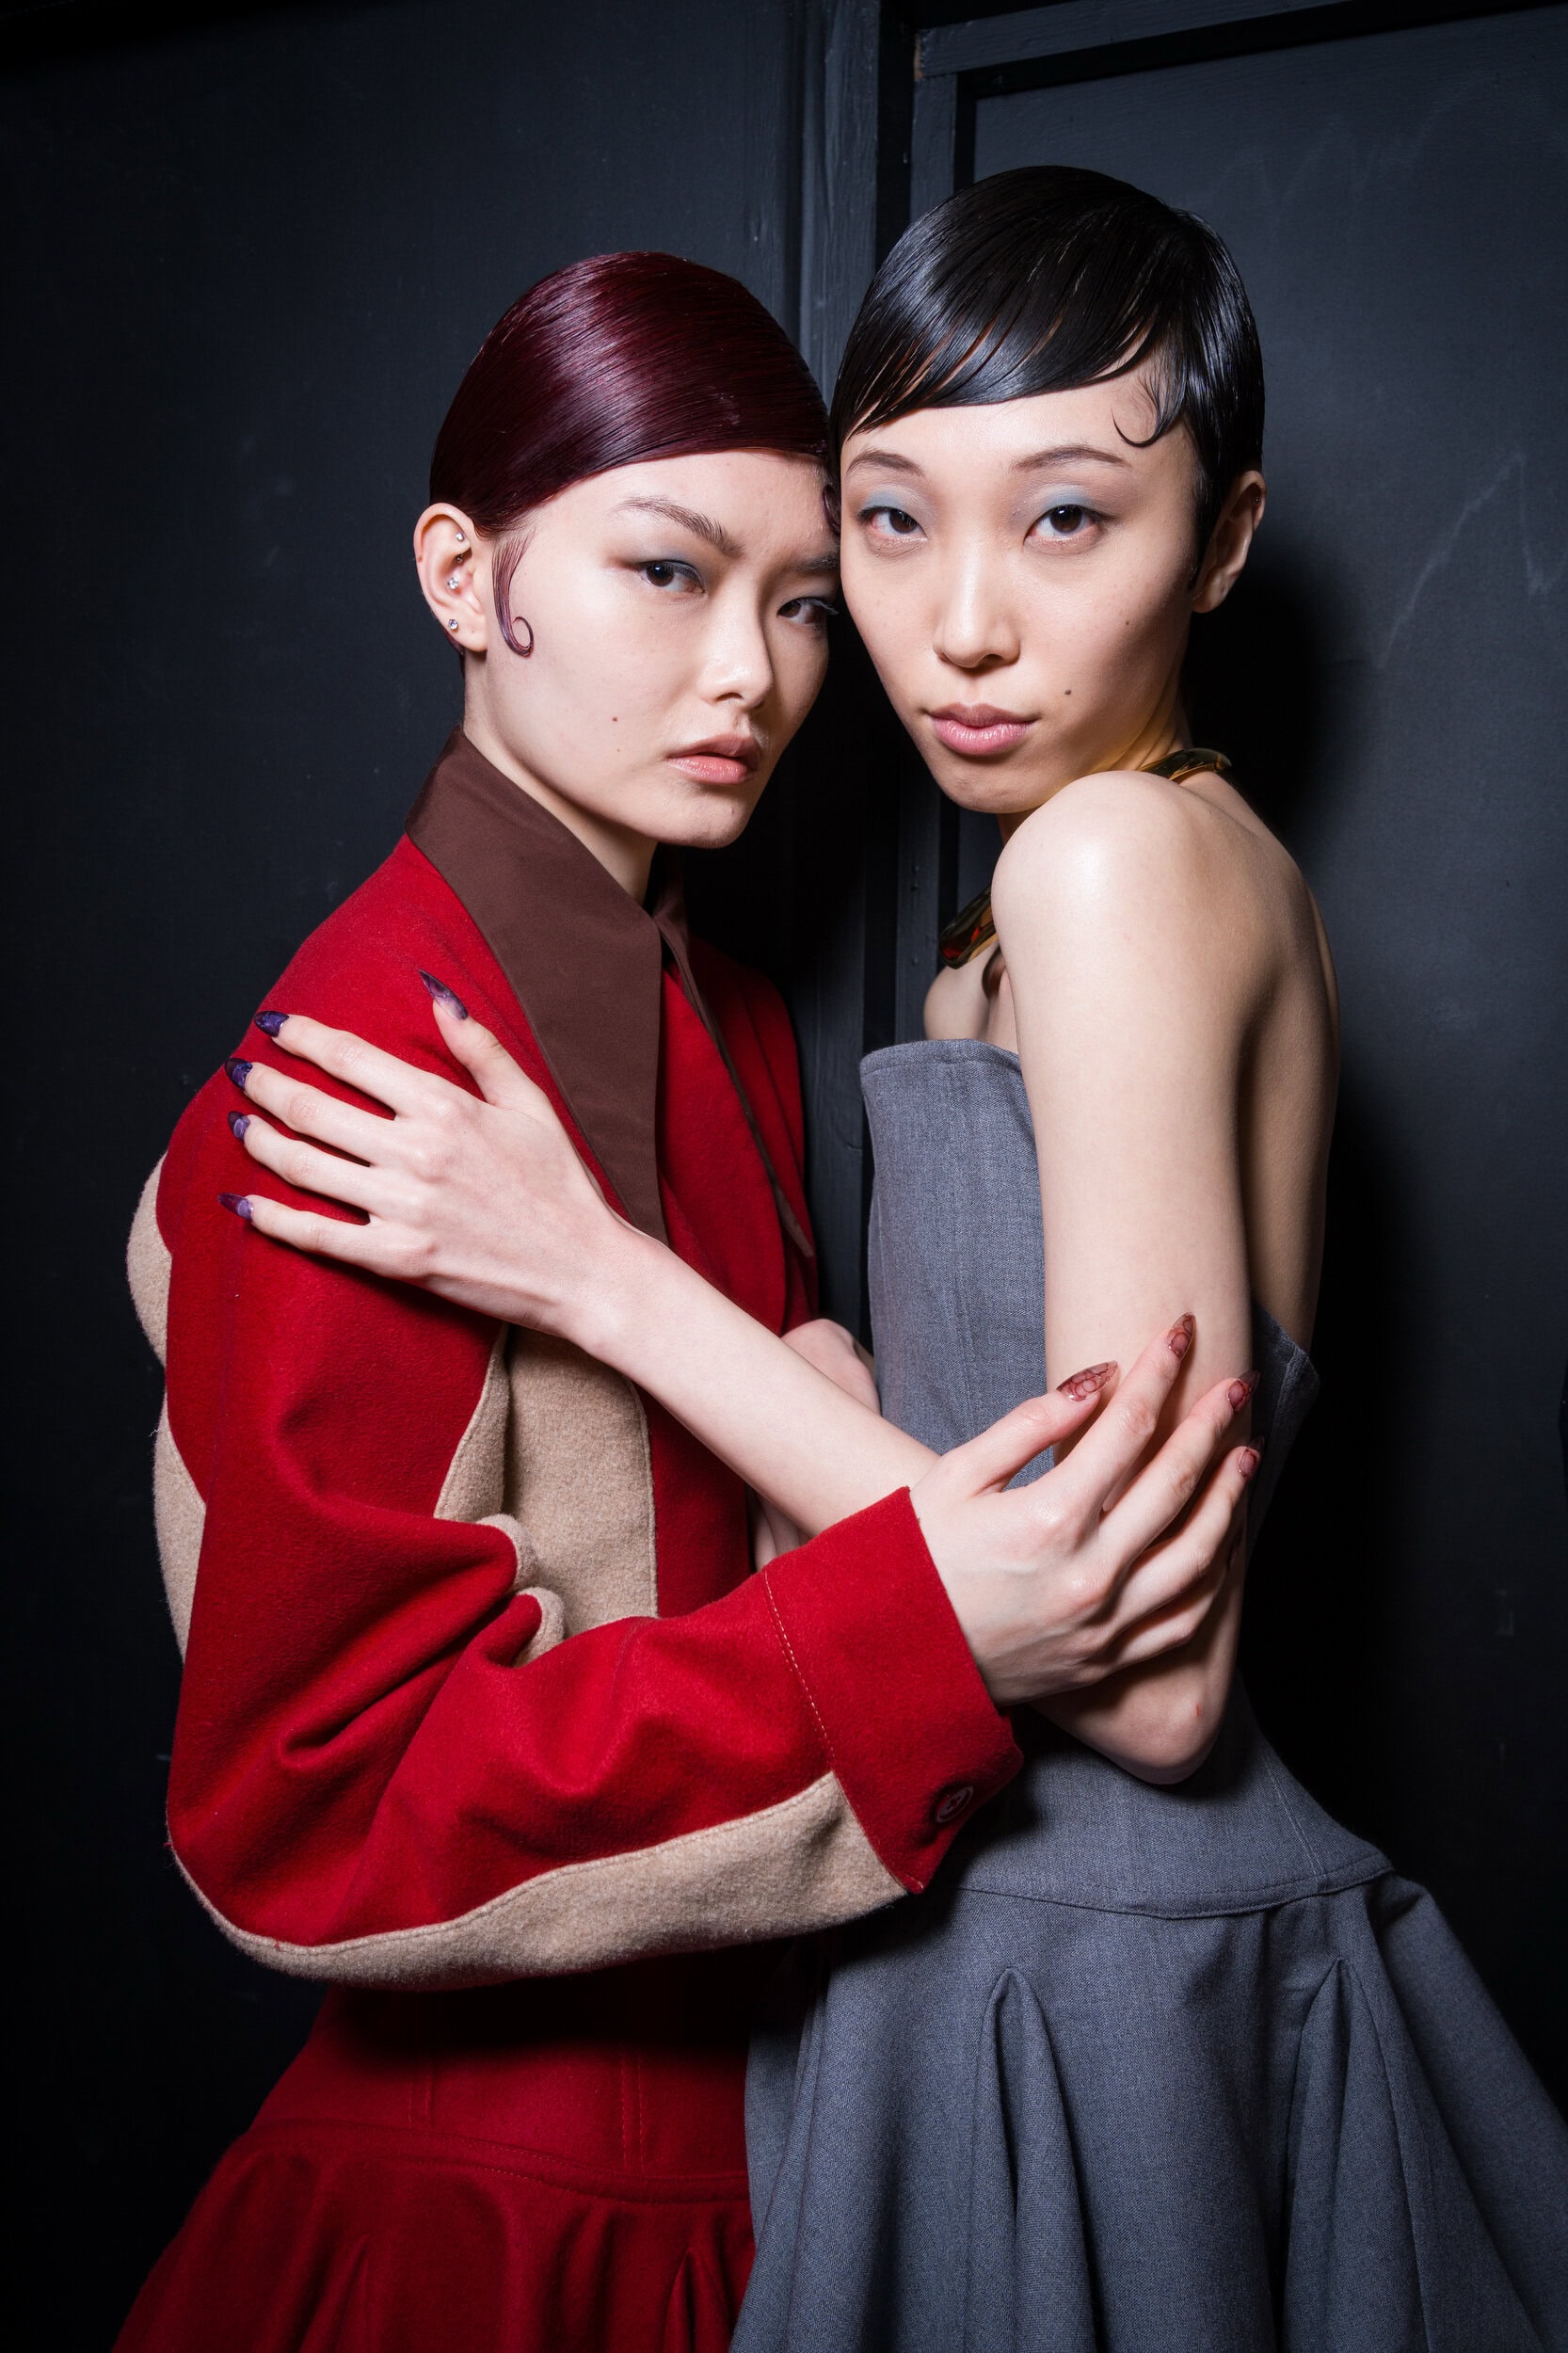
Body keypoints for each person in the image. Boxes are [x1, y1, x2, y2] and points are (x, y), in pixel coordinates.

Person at [231, 175, 1568, 2347]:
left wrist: (604, 1280)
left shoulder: (1103, 863)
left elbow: (1153, 1682)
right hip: (940, 1943)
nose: (953, 627)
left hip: (1083, 1952)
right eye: (884, 522)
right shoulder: (1028, 910)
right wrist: (825, 1382)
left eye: (1065, 519)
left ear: (1219, 540)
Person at [120, 248, 1258, 2352]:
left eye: (803, 600)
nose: (749, 671)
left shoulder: (725, 1015)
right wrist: (921, 1626)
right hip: (491, 2222)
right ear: (465, 577)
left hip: (810, 2156)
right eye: (666, 572)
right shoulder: (360, 1075)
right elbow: (312, 1801)